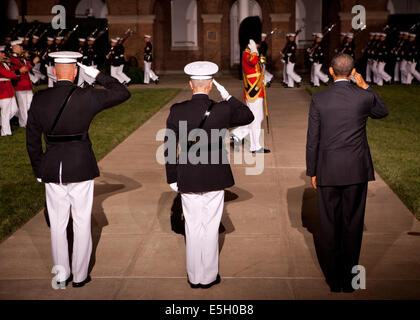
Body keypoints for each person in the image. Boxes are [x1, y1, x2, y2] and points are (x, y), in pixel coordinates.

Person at [26, 51, 131, 288]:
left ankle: (62, 275)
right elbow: (122, 92)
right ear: (75, 72)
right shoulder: (87, 96)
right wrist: (98, 74)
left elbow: (32, 140)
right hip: (80, 165)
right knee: (82, 222)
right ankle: (81, 275)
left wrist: (39, 169)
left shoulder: (40, 99)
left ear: (54, 72)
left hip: (52, 167)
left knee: (58, 224)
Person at [164, 61, 254, 288]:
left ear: (190, 84)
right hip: (215, 173)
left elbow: (169, 146)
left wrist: (172, 177)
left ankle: (194, 277)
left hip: (188, 173)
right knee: (211, 226)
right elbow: (248, 116)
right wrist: (228, 96)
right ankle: (209, 276)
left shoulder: (177, 110)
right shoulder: (223, 110)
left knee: (192, 227)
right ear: (211, 85)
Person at [306, 53, 388, 293]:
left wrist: (312, 170)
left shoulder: (319, 99)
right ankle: (350, 279)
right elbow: (382, 112)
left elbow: (313, 139)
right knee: (352, 224)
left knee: (329, 225)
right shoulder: (363, 98)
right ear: (353, 72)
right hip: (355, 170)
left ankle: (334, 280)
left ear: (331, 71)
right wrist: (365, 86)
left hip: (327, 169)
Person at [231, 39, 270, 153]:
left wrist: (263, 79)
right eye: (255, 43)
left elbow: (257, 69)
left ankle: (237, 134)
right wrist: (253, 50)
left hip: (258, 89)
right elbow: (252, 62)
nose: (257, 45)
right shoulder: (247, 54)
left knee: (259, 118)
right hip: (253, 91)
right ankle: (255, 146)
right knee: (255, 119)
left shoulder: (252, 53)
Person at [9, 39, 34, 127]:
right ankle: (24, 123)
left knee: (30, 104)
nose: (22, 48)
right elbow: (16, 71)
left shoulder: (21, 57)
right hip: (20, 84)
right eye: (20, 46)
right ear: (15, 47)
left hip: (27, 84)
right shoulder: (11, 59)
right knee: (23, 105)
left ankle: (28, 121)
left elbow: (28, 67)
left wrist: (27, 60)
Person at [0, 45, 19, 136]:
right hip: (2, 90)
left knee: (14, 109)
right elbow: (7, 74)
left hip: (9, 89)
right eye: (2, 53)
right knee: (6, 111)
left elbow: (11, 73)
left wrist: (10, 65)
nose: (4, 55)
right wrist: (18, 72)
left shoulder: (3, 63)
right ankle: (5, 132)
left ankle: (2, 123)